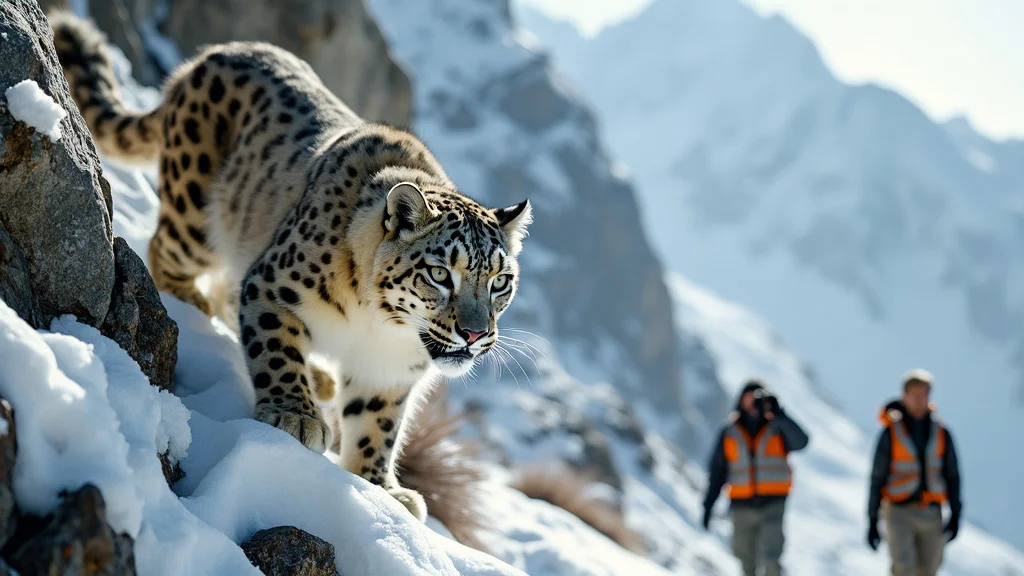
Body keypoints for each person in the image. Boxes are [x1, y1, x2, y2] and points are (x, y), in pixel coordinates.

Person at [702, 379, 810, 576]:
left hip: (773, 504)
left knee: (771, 557)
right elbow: (718, 473)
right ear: (741, 400)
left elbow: (801, 442)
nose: (754, 403)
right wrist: (708, 505)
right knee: (745, 560)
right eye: (750, 397)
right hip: (741, 506)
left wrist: (780, 415)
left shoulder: (777, 427)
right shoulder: (729, 432)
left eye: (759, 399)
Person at [866, 369, 961, 575]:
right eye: (915, 394)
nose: (919, 400)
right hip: (897, 511)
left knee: (928, 569)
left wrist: (955, 512)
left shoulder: (942, 433)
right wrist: (873, 519)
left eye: (924, 394)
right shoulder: (891, 433)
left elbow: (952, 475)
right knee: (903, 568)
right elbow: (877, 477)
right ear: (904, 396)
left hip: (931, 512)